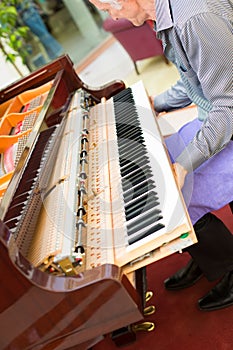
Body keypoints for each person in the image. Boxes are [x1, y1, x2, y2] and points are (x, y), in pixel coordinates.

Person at [88, 0, 233, 311]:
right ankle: (203, 253)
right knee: (159, 163)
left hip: (227, 120)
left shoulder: (194, 19)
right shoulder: (171, 14)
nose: (113, 18)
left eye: (108, 9)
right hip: (219, 117)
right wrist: (156, 102)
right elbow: (194, 80)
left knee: (173, 191)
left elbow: (228, 108)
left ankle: (226, 265)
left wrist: (183, 165)